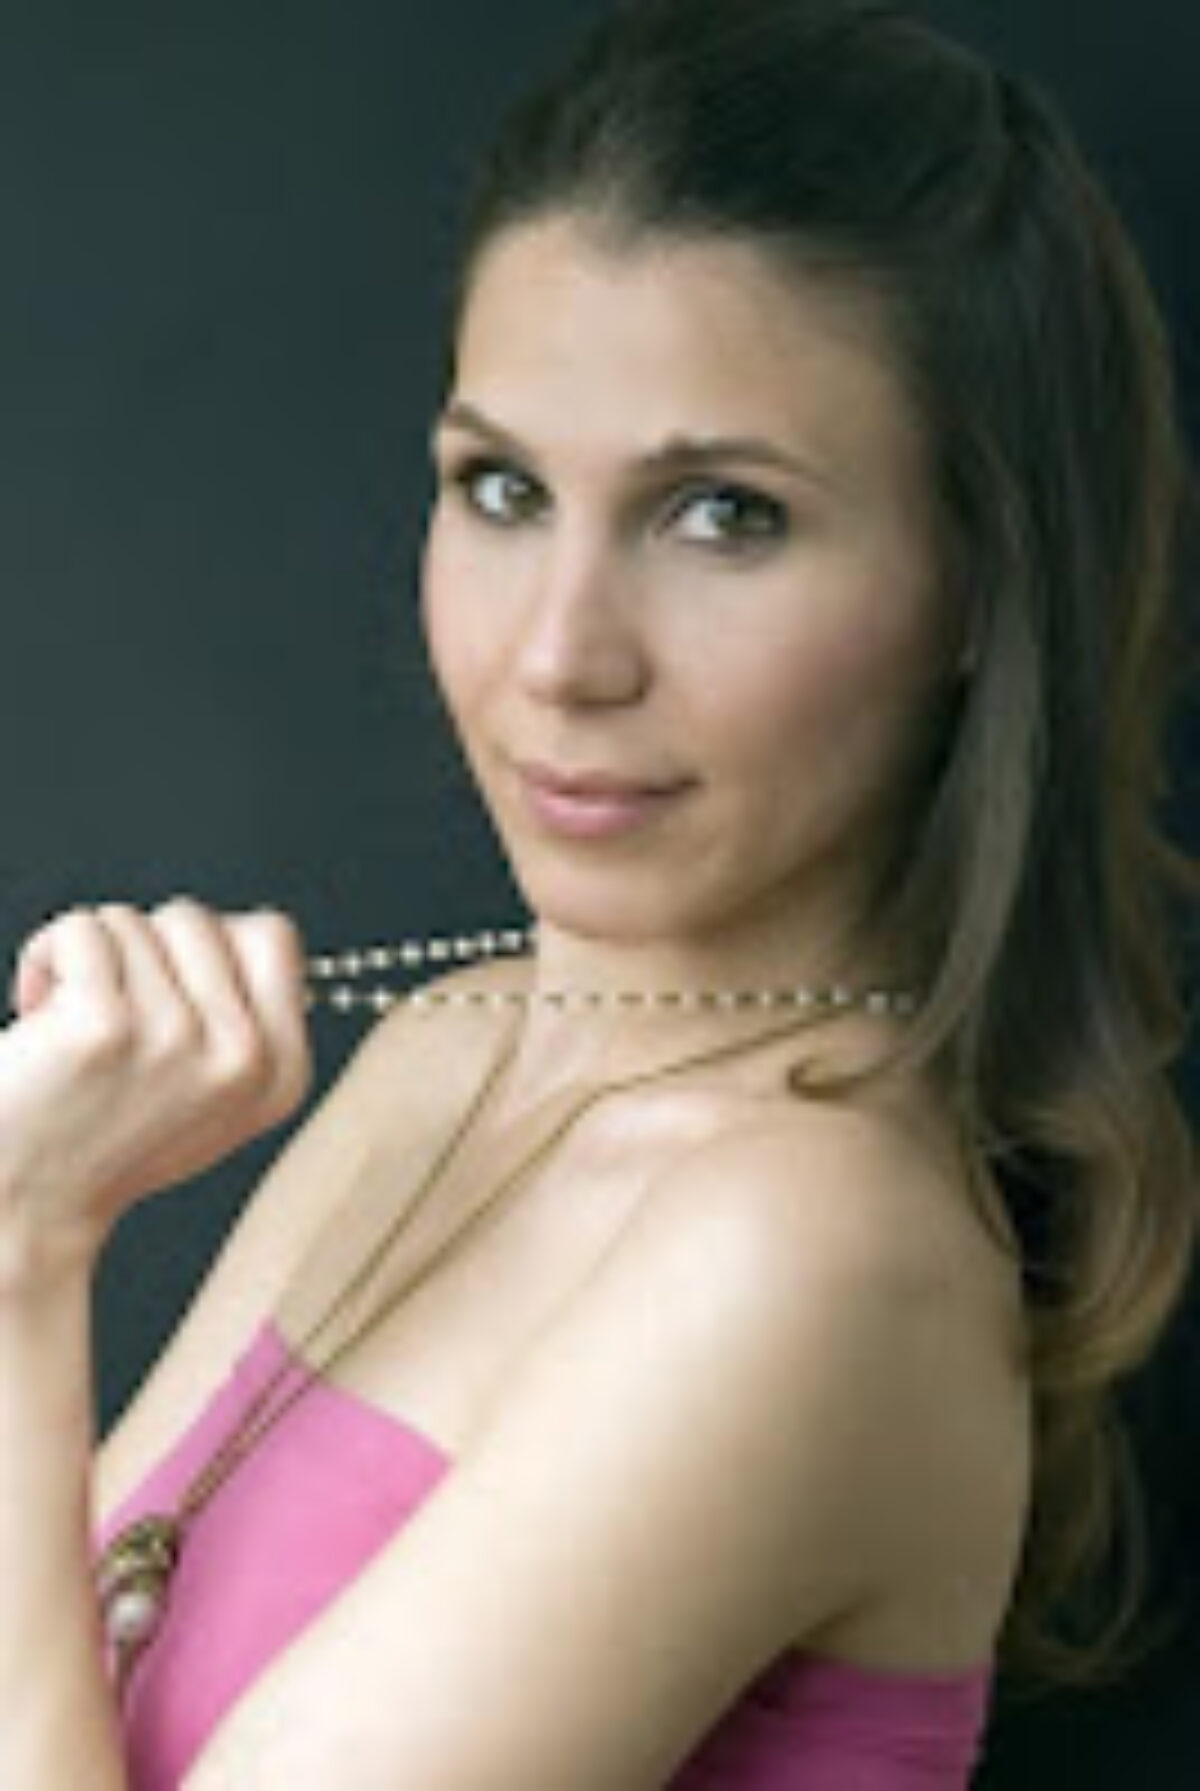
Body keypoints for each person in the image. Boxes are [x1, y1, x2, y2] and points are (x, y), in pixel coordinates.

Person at [1, 0, 1195, 1785]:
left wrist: (21, 1256)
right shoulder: (451, 1046)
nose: (560, 656)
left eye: (723, 516)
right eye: (501, 488)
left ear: (978, 587)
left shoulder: (816, 1248)